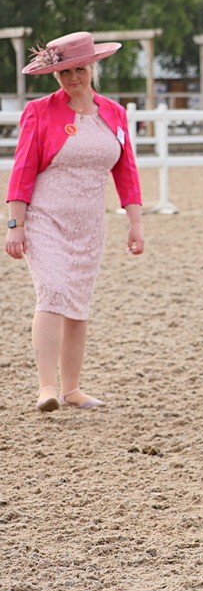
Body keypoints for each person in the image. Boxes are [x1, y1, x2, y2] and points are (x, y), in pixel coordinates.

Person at [5, 32, 144, 412]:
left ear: (92, 68)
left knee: (78, 306)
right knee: (51, 292)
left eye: (79, 69)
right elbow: (23, 169)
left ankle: (71, 388)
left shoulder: (114, 113)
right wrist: (14, 224)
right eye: (63, 72)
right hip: (45, 218)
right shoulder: (39, 111)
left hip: (89, 224)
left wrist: (135, 223)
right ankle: (46, 387)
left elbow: (126, 171)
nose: (72, 79)